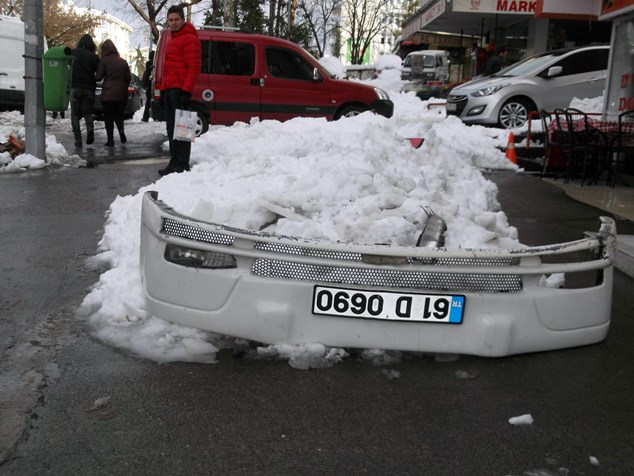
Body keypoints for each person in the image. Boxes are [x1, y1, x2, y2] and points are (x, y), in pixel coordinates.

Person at [158, 5, 201, 176]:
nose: (174, 23)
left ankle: (183, 163)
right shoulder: (172, 38)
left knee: (183, 128)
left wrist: (186, 91)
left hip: (180, 90)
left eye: (177, 19)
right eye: (171, 20)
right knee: (171, 128)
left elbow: (194, 67)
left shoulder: (189, 38)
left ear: (183, 20)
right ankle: (174, 161)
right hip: (170, 89)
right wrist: (162, 90)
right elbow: (167, 68)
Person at [95, 39, 131, 147]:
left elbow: (99, 77)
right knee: (119, 115)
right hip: (121, 94)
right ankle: (121, 132)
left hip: (108, 95)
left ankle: (110, 140)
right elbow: (128, 79)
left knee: (109, 117)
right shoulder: (123, 61)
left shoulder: (104, 61)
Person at [70, 34, 99, 148]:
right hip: (89, 88)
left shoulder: (72, 52)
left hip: (75, 86)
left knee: (75, 114)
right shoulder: (94, 57)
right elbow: (98, 72)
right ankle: (90, 129)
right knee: (87, 112)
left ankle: (78, 139)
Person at [141, 50, 155, 122]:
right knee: (150, 102)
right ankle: (147, 117)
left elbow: (146, 76)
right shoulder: (153, 65)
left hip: (148, 87)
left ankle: (145, 117)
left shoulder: (148, 66)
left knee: (148, 103)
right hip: (151, 87)